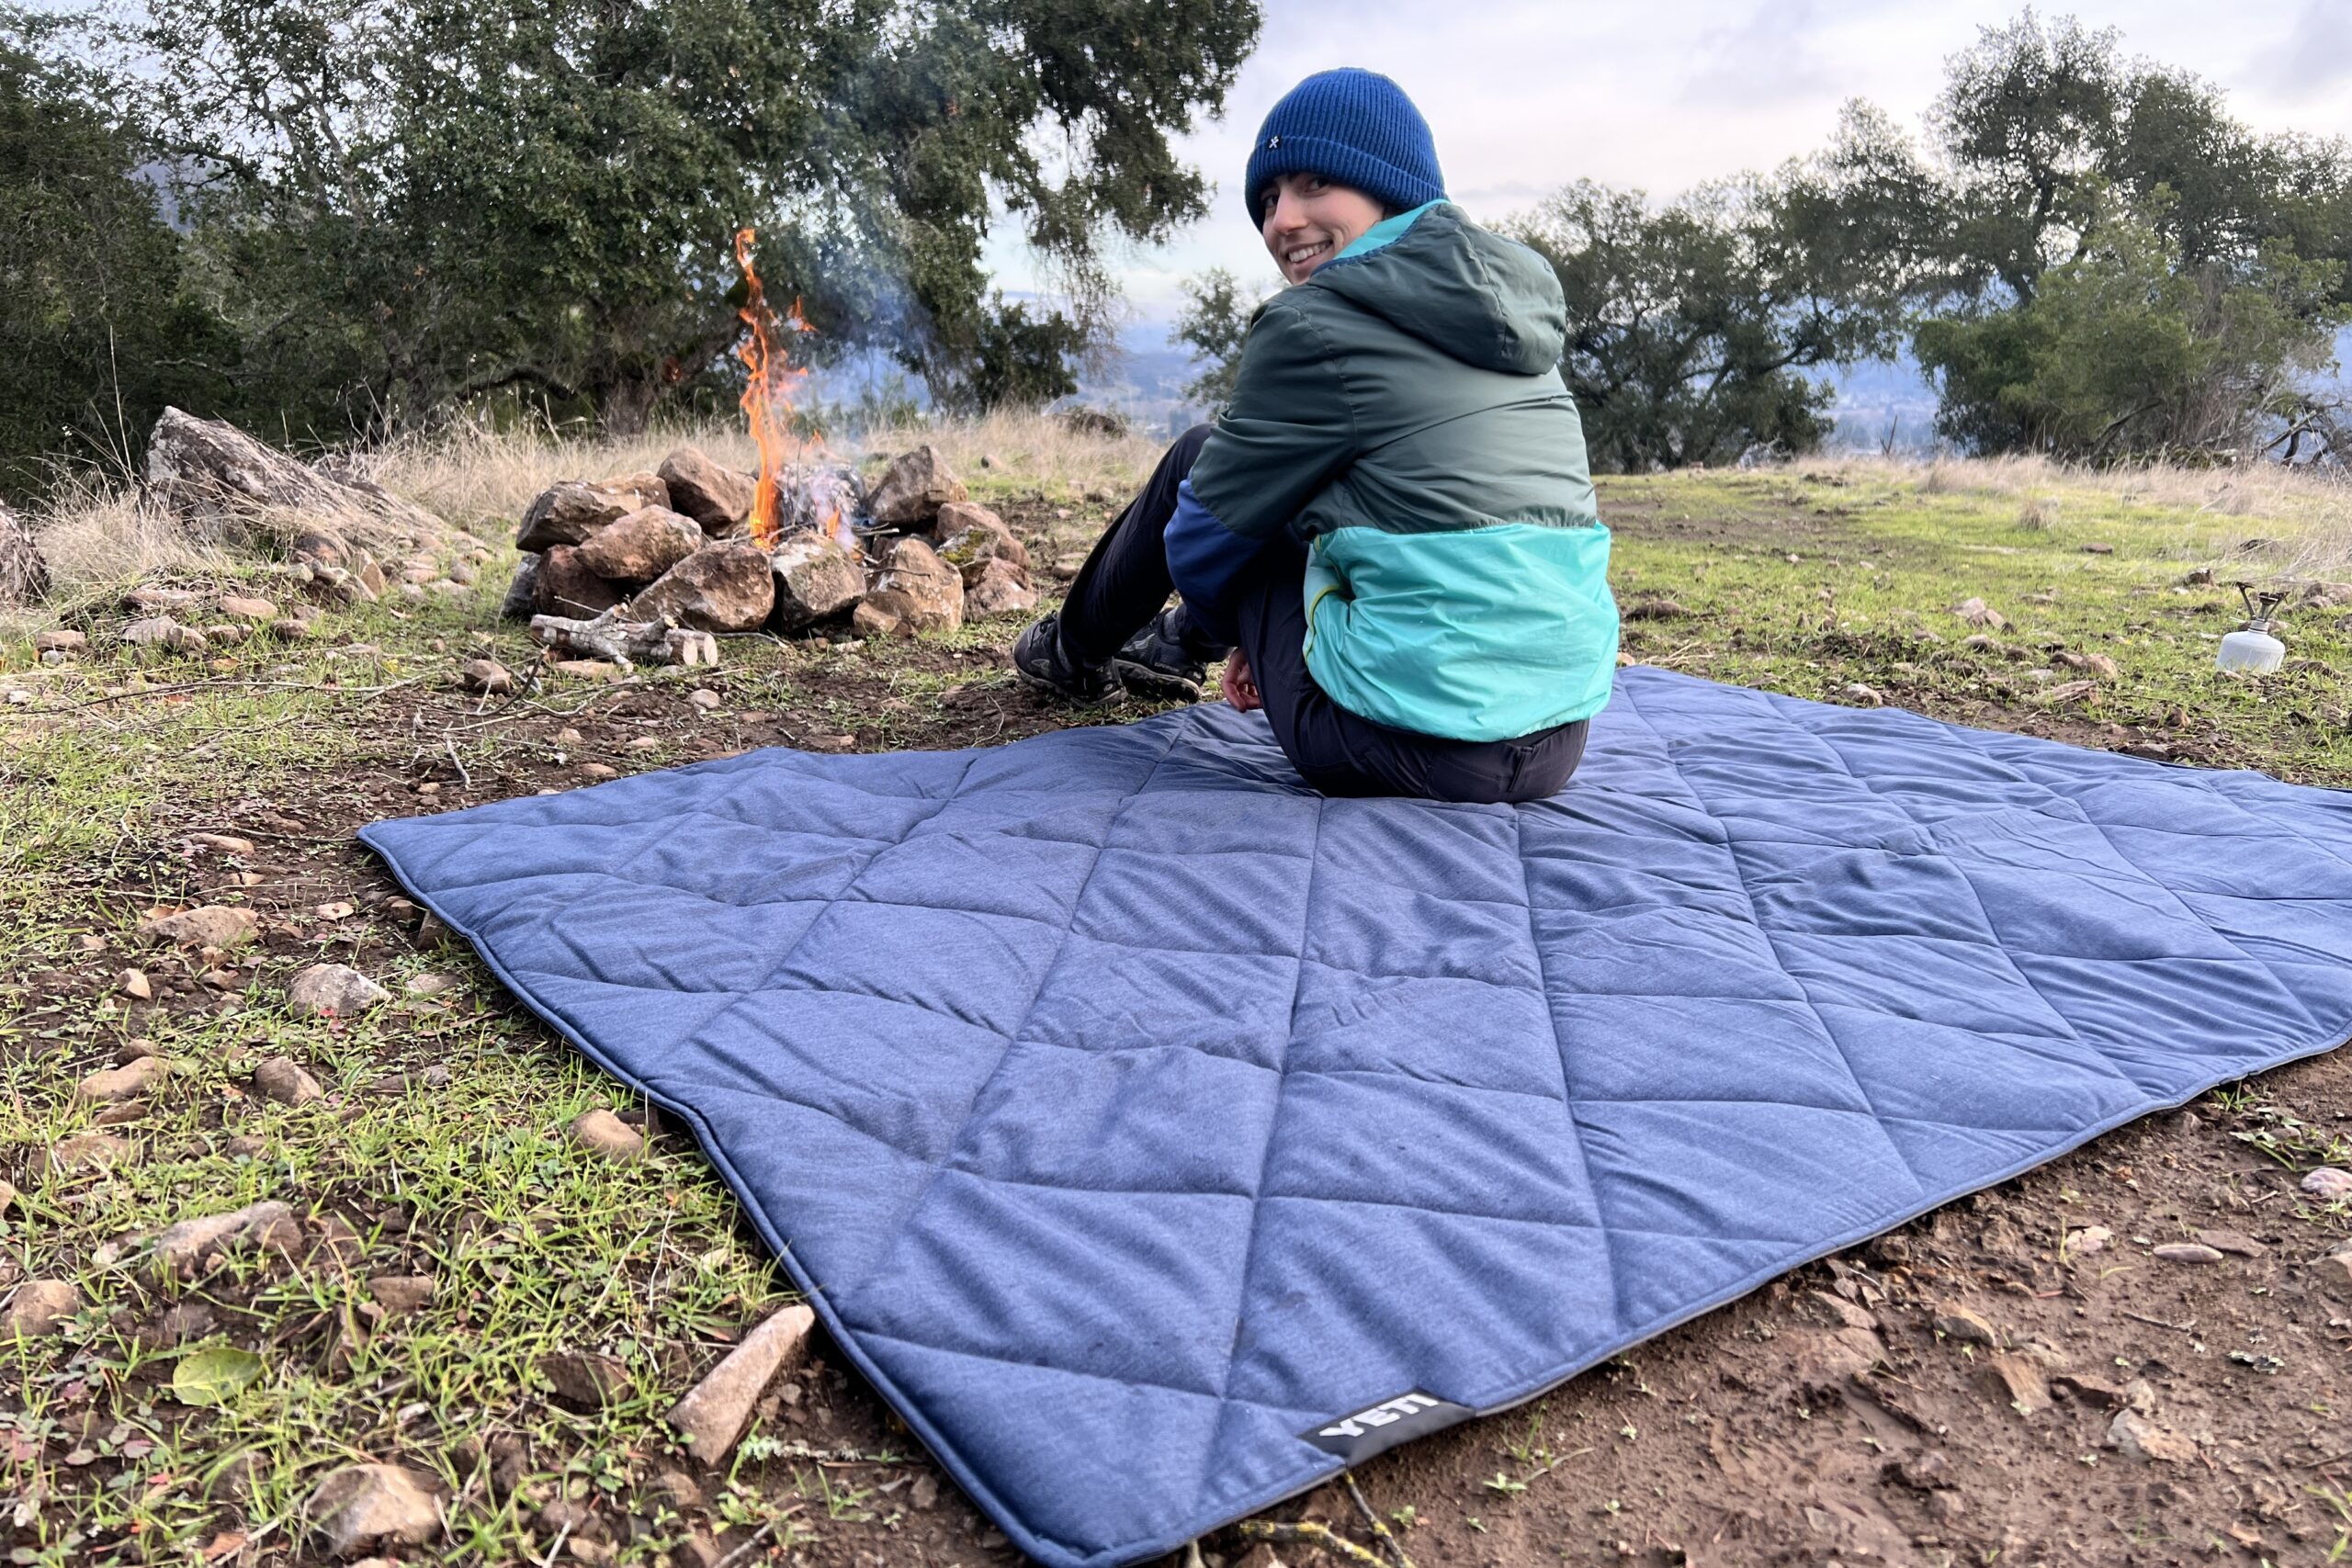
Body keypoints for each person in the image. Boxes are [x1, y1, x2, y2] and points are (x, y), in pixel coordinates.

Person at [1012, 67, 1620, 806]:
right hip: (1559, 741)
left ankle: (1074, 653)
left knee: (1201, 462)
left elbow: (1201, 540)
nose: (1281, 221)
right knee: (1306, 491)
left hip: (1398, 744)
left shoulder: (1312, 324)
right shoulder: (1509, 311)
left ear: (1388, 188)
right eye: (1268, 200)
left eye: (1311, 185)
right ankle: (1167, 646)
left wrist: (1241, 634)